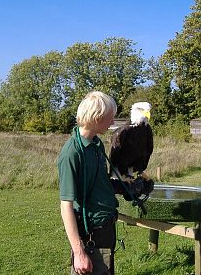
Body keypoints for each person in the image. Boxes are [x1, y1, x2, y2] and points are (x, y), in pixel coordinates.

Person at [58, 91, 119, 275]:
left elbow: (99, 184)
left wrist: (126, 187)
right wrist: (79, 252)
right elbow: (65, 206)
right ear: (97, 118)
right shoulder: (71, 153)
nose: (113, 123)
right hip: (90, 234)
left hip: (106, 229)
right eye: (111, 117)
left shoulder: (96, 144)